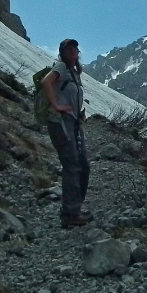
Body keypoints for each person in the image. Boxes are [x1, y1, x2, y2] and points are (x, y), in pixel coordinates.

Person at [42, 38, 92, 227]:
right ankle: (70, 213)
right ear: (62, 52)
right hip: (60, 122)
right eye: (69, 48)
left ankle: (75, 207)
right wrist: (56, 105)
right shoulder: (61, 67)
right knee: (72, 165)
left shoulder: (75, 73)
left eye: (75, 48)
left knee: (83, 164)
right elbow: (46, 82)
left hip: (74, 123)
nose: (73, 50)